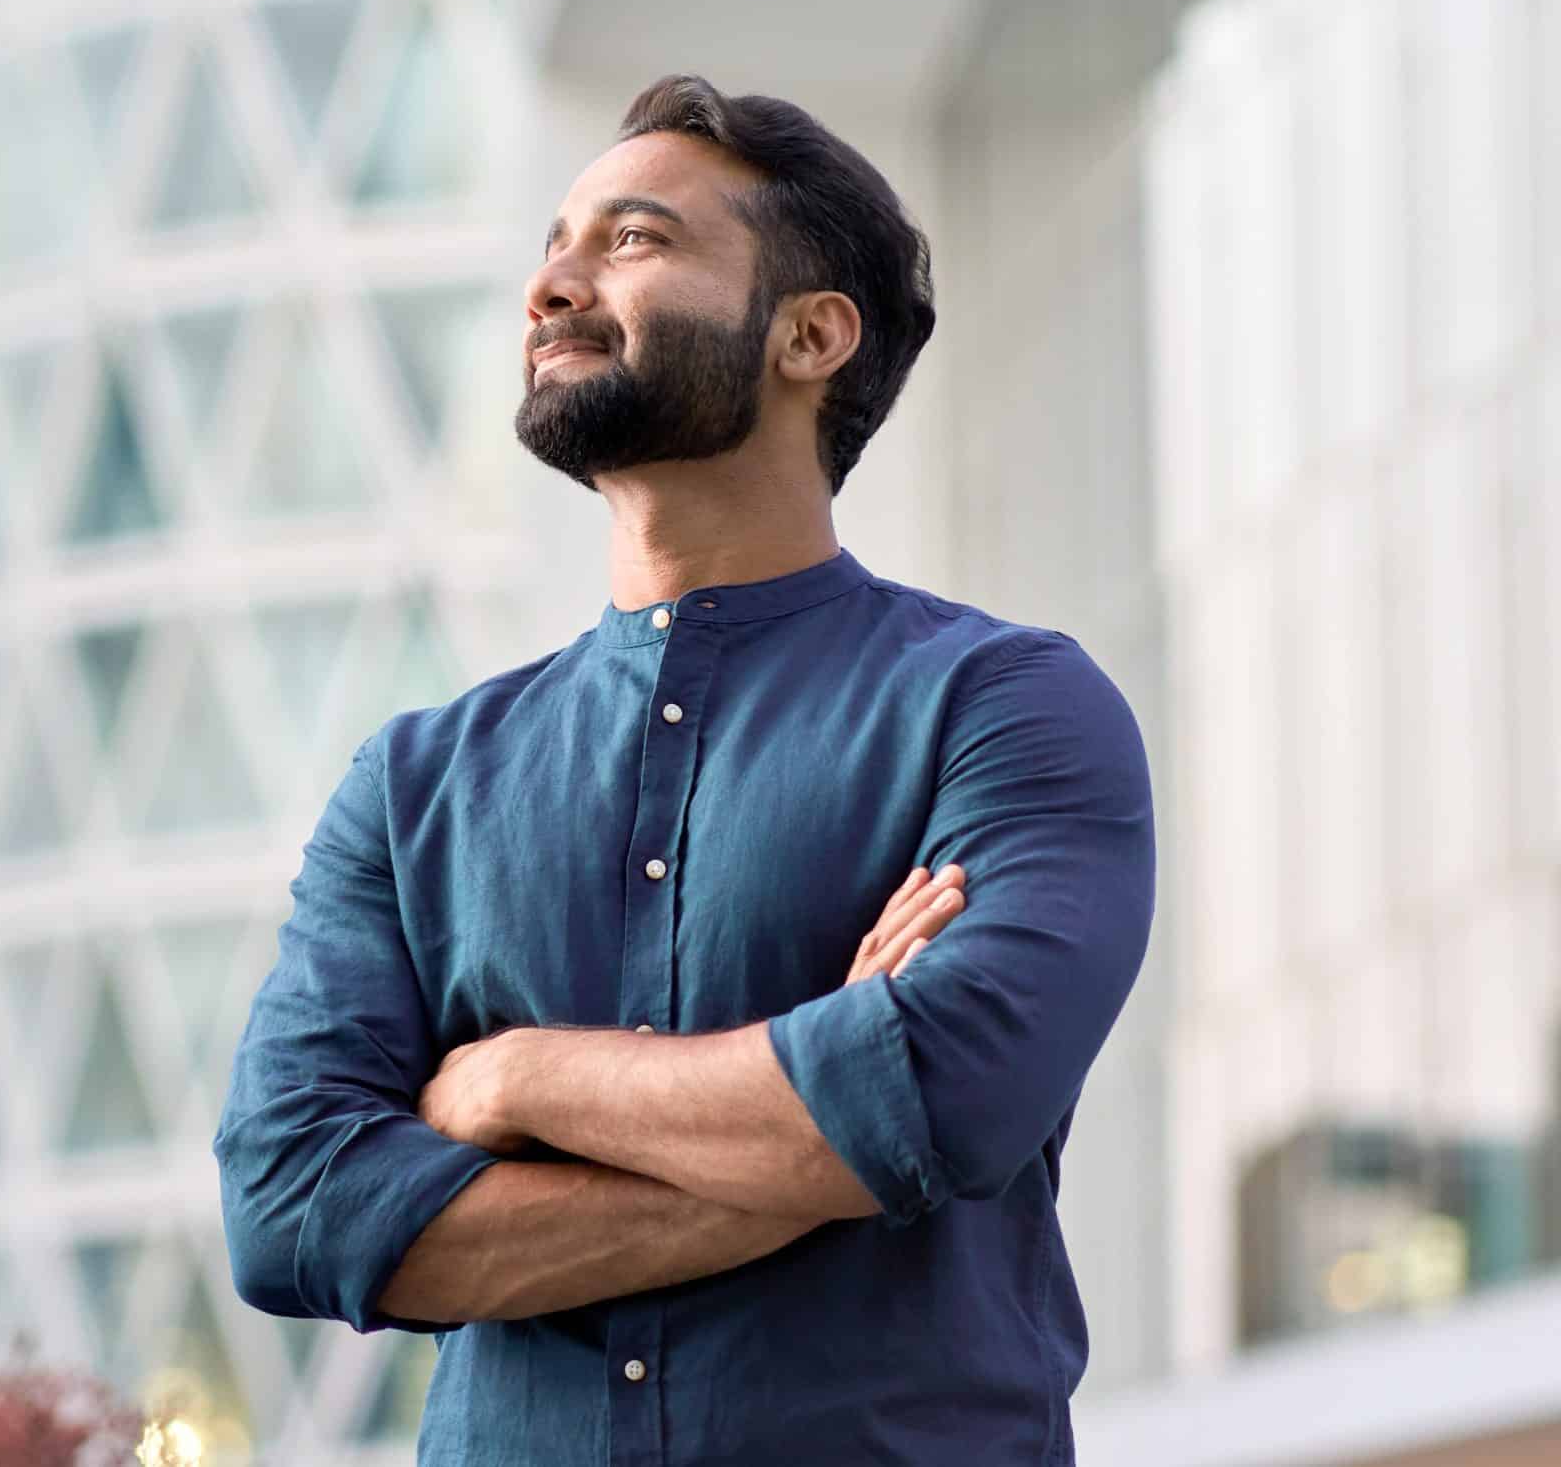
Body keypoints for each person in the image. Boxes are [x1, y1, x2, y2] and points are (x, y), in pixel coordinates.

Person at [212, 74, 1155, 1464]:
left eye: (635, 241)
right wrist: (814, 1125)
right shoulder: (413, 787)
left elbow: (951, 1091)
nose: (554, 286)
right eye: (556, 245)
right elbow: (294, 1210)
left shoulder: (1003, 707)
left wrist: (520, 1081)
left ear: (811, 334)